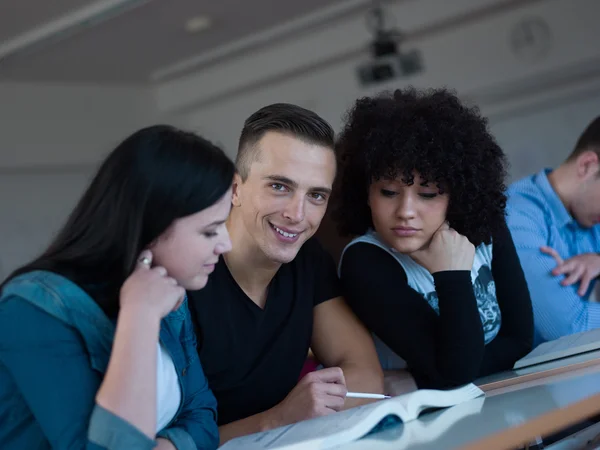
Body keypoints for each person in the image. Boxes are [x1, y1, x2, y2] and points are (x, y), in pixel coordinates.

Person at [0, 125, 234, 450]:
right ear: (150, 227)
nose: (227, 244)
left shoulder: (166, 290)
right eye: (210, 231)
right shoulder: (31, 310)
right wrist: (139, 318)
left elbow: (203, 414)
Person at [187, 103, 384, 444]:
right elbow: (158, 442)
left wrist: (300, 413)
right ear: (234, 188)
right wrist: (278, 418)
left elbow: (365, 375)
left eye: (316, 195)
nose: (297, 214)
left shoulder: (307, 260)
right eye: (280, 186)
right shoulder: (185, 276)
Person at [332, 88, 534, 390]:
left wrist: (418, 378)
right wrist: (451, 274)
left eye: (427, 194)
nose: (405, 212)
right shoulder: (365, 262)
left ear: (458, 194)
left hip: (500, 396)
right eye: (388, 192)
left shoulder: (486, 228)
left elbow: (520, 340)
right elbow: (455, 371)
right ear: (365, 194)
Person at [506, 116, 600, 345]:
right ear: (587, 165)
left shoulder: (591, 213)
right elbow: (570, 329)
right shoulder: (517, 216)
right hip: (515, 377)